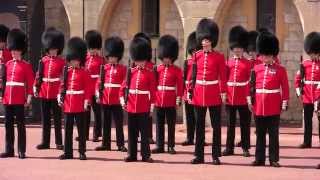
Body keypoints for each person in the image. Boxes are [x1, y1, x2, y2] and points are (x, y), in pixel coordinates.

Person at [188, 18, 227, 165]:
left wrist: (223, 92)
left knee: (216, 126)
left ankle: (215, 155)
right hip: (198, 93)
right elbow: (192, 75)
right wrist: (190, 91)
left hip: (213, 93)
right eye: (203, 40)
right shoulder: (196, 55)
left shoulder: (219, 57)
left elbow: (222, 77)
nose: (204, 42)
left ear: (212, 41)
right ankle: (199, 155)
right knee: (199, 126)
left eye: (207, 40)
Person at [251, 32, 289, 167]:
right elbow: (252, 86)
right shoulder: (256, 68)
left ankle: (273, 159)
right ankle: (259, 158)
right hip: (259, 105)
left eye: (267, 55)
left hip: (273, 105)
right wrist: (251, 101)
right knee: (260, 134)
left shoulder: (280, 70)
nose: (265, 58)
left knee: (273, 134)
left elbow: (285, 87)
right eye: (263, 55)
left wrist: (284, 103)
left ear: (272, 55)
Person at [120, 37, 156, 163]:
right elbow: (123, 88)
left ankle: (146, 155)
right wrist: (122, 102)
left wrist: (151, 108)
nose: (140, 63)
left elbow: (153, 92)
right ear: (134, 60)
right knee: (132, 133)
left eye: (142, 61)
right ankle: (132, 154)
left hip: (143, 107)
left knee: (144, 133)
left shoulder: (150, 73)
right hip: (131, 106)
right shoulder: (130, 72)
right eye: (138, 61)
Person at [0, 29, 34, 159]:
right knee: (8, 126)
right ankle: (9, 149)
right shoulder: (7, 64)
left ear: (20, 50)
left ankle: (21, 150)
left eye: (15, 50)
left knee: (20, 125)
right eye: (12, 50)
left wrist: (29, 98)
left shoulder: (26, 65)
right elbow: (4, 81)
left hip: (19, 99)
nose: (13, 52)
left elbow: (30, 83)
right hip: (8, 99)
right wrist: (2, 96)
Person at [58, 37, 91, 160]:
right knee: (67, 130)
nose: (74, 62)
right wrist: (59, 96)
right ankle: (68, 152)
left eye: (76, 60)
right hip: (68, 104)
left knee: (81, 131)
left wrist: (86, 102)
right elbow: (62, 85)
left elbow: (88, 89)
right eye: (72, 60)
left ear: (80, 60)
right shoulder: (67, 71)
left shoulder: (84, 72)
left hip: (79, 103)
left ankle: (82, 152)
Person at [223, 25, 251, 157]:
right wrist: (223, 93)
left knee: (245, 124)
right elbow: (224, 79)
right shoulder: (228, 63)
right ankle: (229, 148)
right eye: (236, 48)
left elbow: (250, 82)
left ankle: (245, 147)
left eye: (240, 48)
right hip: (230, 97)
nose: (238, 50)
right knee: (230, 124)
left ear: (243, 48)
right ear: (232, 49)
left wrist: (249, 97)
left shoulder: (248, 63)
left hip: (243, 98)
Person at [151, 35, 183, 154]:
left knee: (170, 125)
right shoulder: (157, 69)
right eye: (164, 57)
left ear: (172, 58)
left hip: (170, 100)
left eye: (168, 57)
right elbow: (153, 85)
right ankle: (160, 145)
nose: (166, 60)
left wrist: (179, 99)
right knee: (159, 125)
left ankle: (170, 146)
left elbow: (180, 86)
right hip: (159, 99)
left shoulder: (177, 70)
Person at [95, 36, 127, 152]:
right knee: (106, 123)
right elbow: (99, 82)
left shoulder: (123, 69)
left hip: (117, 101)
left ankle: (120, 144)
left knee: (119, 124)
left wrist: (123, 99)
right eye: (110, 57)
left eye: (113, 57)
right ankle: (106, 144)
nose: (111, 59)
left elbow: (124, 85)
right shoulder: (104, 68)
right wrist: (98, 95)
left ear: (118, 57)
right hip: (105, 99)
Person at [35, 27, 65, 150]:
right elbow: (39, 75)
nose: (53, 51)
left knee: (57, 119)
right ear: (48, 49)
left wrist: (61, 93)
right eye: (51, 49)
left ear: (58, 50)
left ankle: (58, 142)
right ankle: (45, 142)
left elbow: (63, 78)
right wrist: (36, 88)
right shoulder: (43, 61)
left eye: (55, 49)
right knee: (45, 119)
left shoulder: (61, 62)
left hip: (55, 93)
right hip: (44, 92)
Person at [295, 32, 320, 149]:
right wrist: (299, 93)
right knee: (307, 121)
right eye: (310, 54)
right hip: (307, 96)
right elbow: (298, 79)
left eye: (313, 54)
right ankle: (307, 141)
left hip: (318, 96)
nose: (312, 56)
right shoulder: (305, 64)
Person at [133, 32, 156, 144]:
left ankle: (148, 135)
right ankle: (136, 134)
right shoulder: (134, 66)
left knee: (148, 118)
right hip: (135, 98)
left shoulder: (151, 66)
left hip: (146, 97)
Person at [84, 30, 104, 142]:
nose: (93, 50)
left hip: (96, 89)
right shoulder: (85, 59)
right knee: (85, 113)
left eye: (95, 48)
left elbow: (102, 75)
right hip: (87, 89)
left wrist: (99, 90)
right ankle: (84, 134)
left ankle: (96, 134)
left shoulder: (101, 60)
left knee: (97, 113)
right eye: (91, 48)